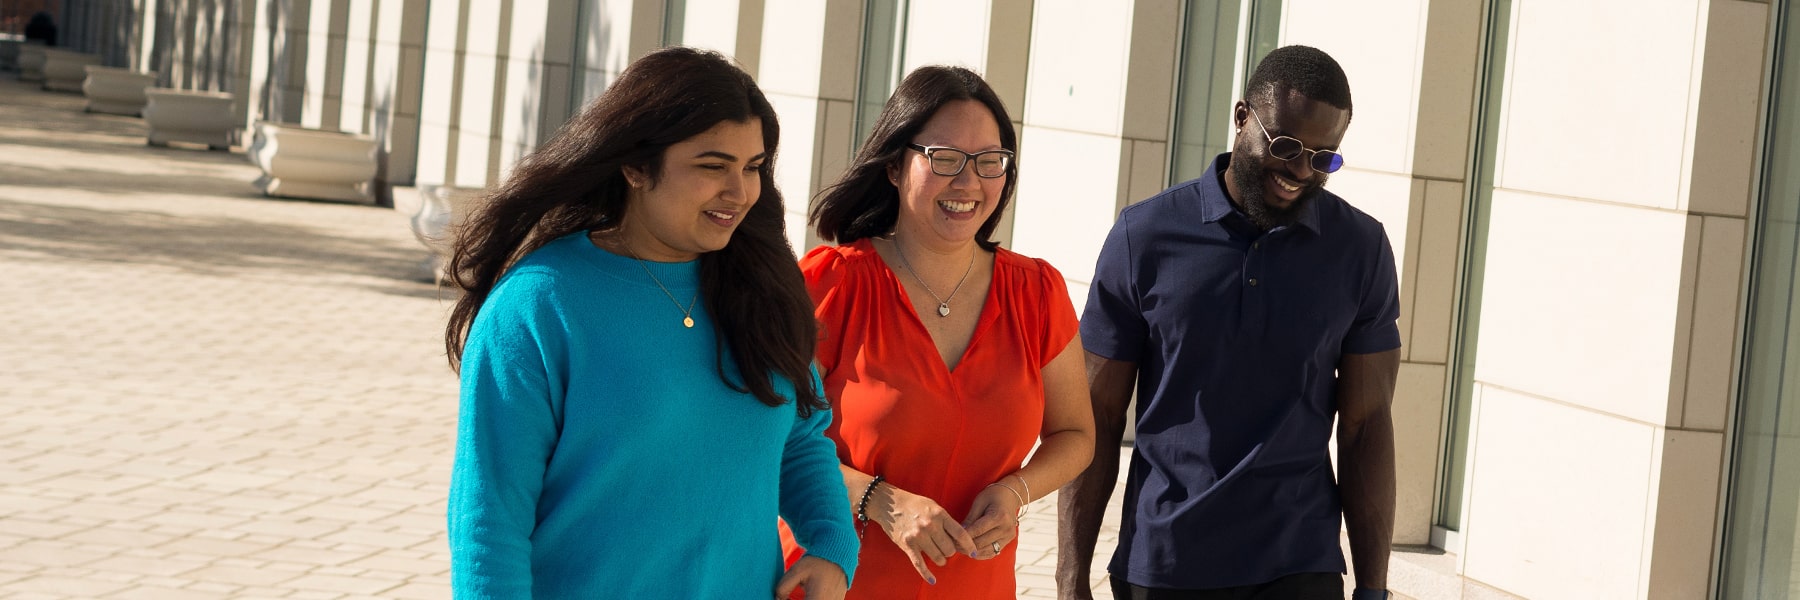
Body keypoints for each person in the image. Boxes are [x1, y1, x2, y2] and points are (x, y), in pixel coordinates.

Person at [443, 46, 857, 599]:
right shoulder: (539, 305)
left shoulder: (764, 290)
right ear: (636, 165)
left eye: (752, 167)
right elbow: (489, 519)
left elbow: (801, 436)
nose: (739, 192)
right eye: (712, 167)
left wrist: (832, 543)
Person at [1057, 45, 1401, 600]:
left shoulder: (1360, 249)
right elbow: (1093, 413)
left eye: (1323, 158)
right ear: (1243, 118)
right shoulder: (1144, 236)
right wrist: (1071, 582)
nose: (1299, 171)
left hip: (1299, 563)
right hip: (1164, 564)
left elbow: (1366, 426)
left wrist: (1373, 589)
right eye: (1286, 146)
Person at [792, 65, 1096, 599]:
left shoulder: (1038, 293)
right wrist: (881, 501)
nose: (969, 182)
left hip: (978, 586)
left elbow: (1076, 435)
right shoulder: (831, 285)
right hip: (834, 583)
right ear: (893, 166)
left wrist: (1016, 491)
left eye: (989, 161)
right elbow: (769, 442)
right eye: (945, 159)